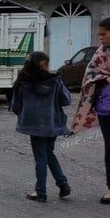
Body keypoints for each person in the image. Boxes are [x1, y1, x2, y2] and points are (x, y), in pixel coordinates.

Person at [10, 52, 71, 202]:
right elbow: (66, 100)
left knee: (41, 157)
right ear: (44, 64)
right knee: (48, 153)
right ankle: (62, 183)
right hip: (52, 123)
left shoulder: (24, 81)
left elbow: (15, 105)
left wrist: (25, 115)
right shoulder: (55, 80)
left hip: (34, 125)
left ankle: (41, 191)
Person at [70, 16, 110, 203]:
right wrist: (104, 78)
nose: (100, 37)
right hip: (105, 108)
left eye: (104, 34)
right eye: (98, 34)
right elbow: (90, 74)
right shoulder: (100, 53)